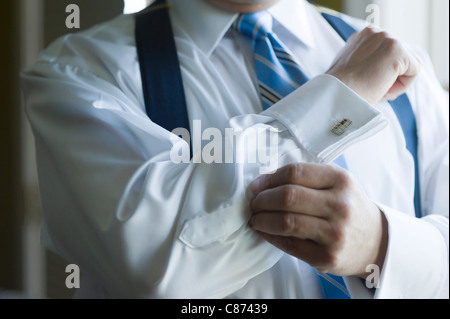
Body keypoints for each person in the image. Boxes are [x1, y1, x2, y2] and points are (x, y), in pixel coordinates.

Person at [21, 0, 448, 299]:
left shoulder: (402, 62)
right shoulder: (80, 72)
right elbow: (157, 270)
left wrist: (381, 246)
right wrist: (338, 97)